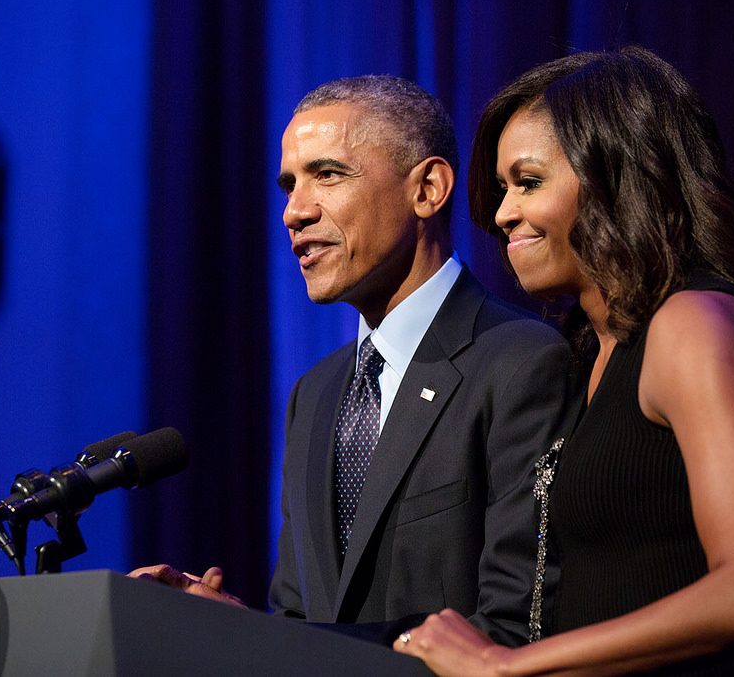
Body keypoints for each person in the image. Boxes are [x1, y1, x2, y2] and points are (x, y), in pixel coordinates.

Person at [393, 47, 734, 675]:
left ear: (618, 176)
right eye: (504, 189)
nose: (502, 214)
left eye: (527, 182)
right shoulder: (595, 352)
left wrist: (504, 668)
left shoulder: (696, 326)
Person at [130, 75, 584, 646]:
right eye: (288, 185)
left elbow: (520, 626)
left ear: (428, 189)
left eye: (327, 174)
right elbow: (304, 631)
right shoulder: (313, 395)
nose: (294, 212)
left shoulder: (521, 363)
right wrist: (231, 625)